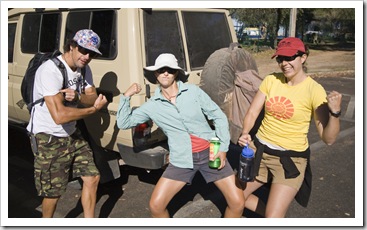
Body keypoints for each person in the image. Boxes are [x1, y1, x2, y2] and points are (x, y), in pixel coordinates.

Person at [117, 53, 245, 218]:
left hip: (211, 153)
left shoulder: (193, 91)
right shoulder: (152, 106)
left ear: (176, 72)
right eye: (161, 70)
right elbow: (124, 122)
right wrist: (126, 96)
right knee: (156, 205)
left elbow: (218, 116)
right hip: (182, 159)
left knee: (237, 202)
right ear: (155, 73)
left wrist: (223, 148)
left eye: (169, 70)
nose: (165, 73)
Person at [237, 37, 342, 218]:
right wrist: (245, 133)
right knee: (234, 197)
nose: (284, 64)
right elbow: (253, 112)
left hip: (290, 160)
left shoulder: (314, 90)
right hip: (260, 152)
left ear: (303, 57)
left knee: (272, 217)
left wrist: (335, 113)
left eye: (289, 58)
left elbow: (329, 138)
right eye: (280, 59)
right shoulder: (271, 80)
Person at [27, 29, 108, 218]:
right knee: (53, 194)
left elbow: (92, 96)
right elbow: (59, 116)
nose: (87, 56)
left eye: (92, 53)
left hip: (71, 132)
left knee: (93, 177)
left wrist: (79, 96)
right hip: (48, 136)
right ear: (71, 46)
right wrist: (93, 110)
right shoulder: (50, 70)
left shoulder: (84, 68)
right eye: (83, 50)